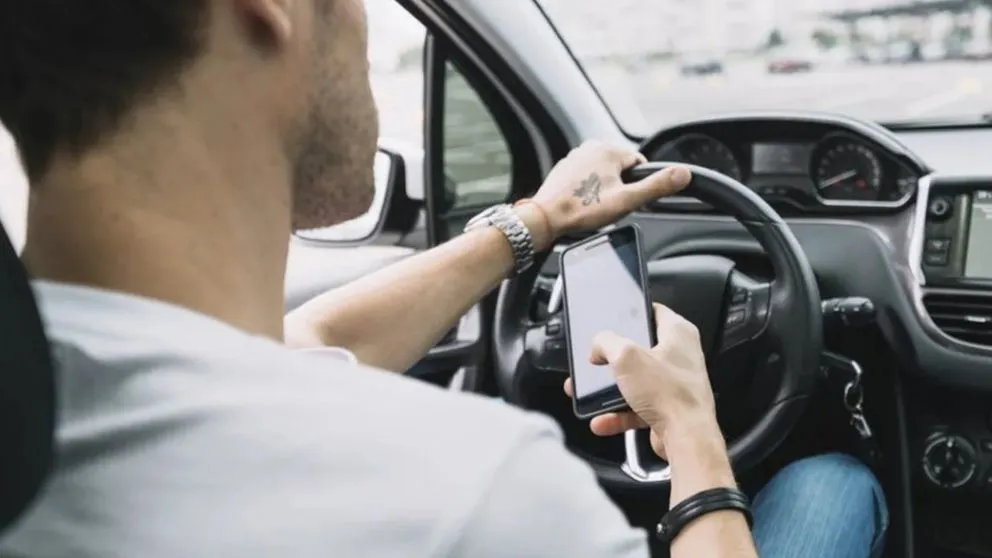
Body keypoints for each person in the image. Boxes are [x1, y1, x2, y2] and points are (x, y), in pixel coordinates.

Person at [0, 1, 885, 557]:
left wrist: (536, 222)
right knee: (832, 488)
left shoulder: (39, 389)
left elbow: (308, 344)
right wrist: (693, 433)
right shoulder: (476, 497)